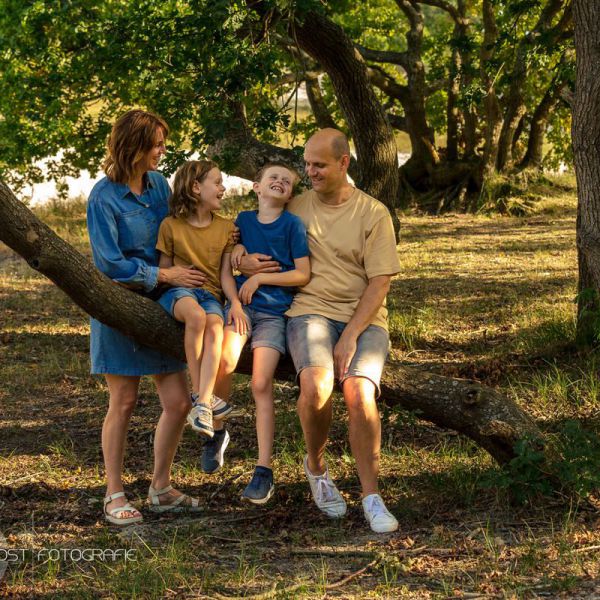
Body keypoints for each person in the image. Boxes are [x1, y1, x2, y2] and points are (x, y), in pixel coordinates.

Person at [240, 128, 401, 533]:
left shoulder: (373, 213)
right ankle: (317, 468)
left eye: (319, 165)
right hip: (308, 312)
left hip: (364, 318)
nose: (309, 171)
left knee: (360, 392)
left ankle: (371, 496)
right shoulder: (295, 207)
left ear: (344, 163)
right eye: (307, 163)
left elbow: (379, 282)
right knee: (316, 386)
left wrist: (349, 336)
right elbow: (249, 230)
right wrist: (240, 255)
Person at [87, 109, 207, 525]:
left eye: (162, 143)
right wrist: (164, 273)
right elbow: (110, 265)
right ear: (132, 146)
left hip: (164, 303)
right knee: (123, 400)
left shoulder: (158, 184)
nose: (162, 151)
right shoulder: (103, 198)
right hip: (119, 305)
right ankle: (113, 492)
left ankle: (160, 487)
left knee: (177, 402)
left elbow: (183, 228)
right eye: (155, 144)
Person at [212, 163, 310, 504]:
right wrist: (236, 290)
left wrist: (258, 278)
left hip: (273, 315)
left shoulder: (292, 225)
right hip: (241, 308)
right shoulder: (242, 221)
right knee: (225, 358)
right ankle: (217, 430)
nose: (280, 182)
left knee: (260, 383)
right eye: (273, 178)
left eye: (287, 181)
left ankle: (263, 469)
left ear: (291, 193)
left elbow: (302, 274)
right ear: (256, 186)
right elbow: (229, 261)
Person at [156, 160, 247, 439]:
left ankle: (202, 403)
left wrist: (235, 303)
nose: (223, 187)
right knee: (195, 317)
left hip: (210, 294)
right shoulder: (170, 226)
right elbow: (165, 271)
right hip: (178, 292)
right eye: (217, 182)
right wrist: (172, 277)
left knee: (215, 328)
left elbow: (225, 275)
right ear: (196, 187)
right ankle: (202, 397)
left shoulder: (225, 229)